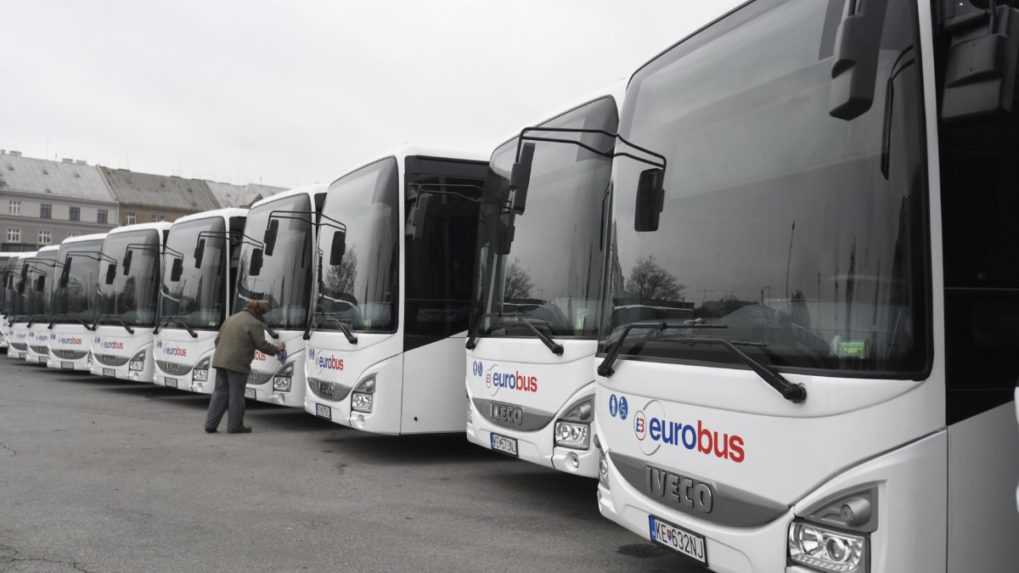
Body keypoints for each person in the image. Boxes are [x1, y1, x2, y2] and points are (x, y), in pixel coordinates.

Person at [205, 299, 285, 434]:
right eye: (264, 314)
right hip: (237, 363)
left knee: (219, 393)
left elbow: (217, 340)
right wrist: (278, 349)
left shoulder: (231, 318)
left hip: (220, 360)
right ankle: (235, 426)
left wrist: (224, 354)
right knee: (236, 395)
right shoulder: (255, 323)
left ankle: (210, 425)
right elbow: (262, 345)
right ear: (259, 312)